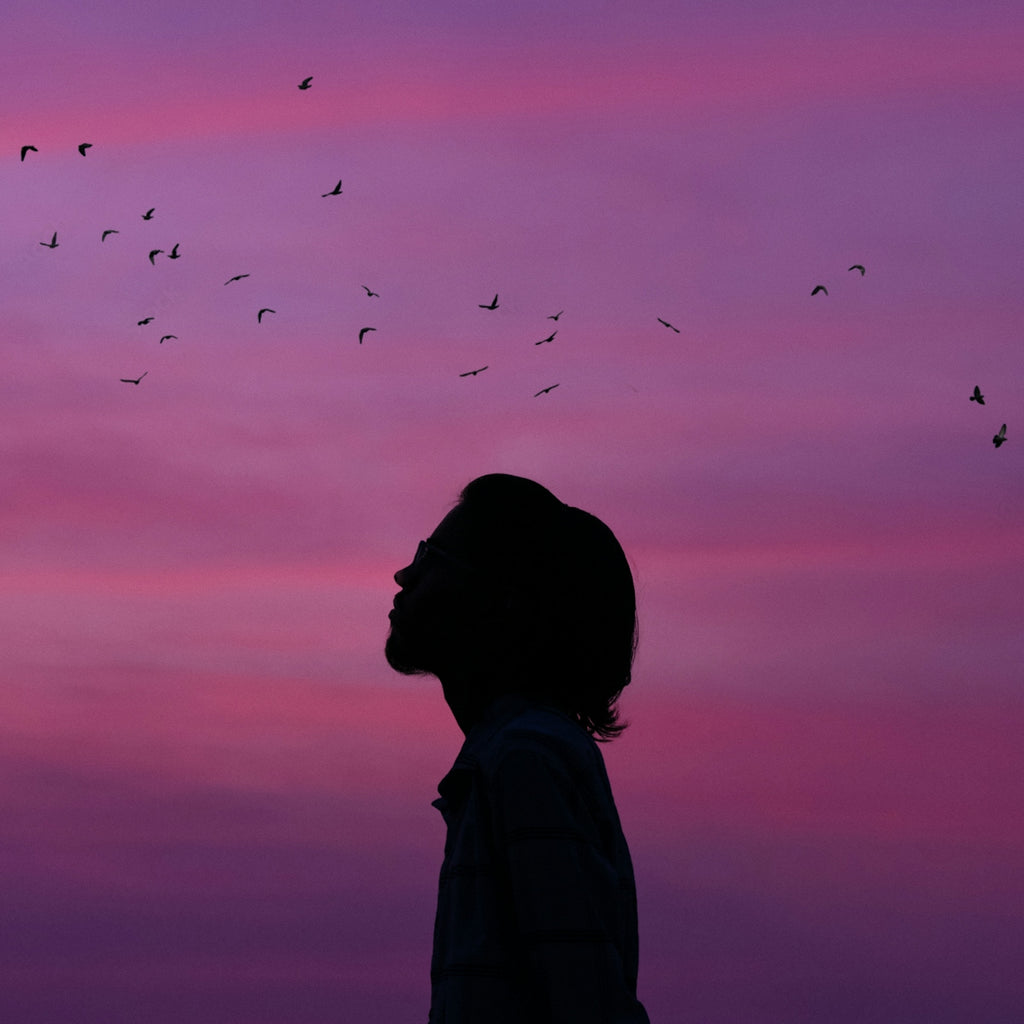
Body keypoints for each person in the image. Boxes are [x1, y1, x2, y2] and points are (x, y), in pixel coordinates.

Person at [386, 473, 650, 1023]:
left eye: (432, 557)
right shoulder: (513, 758)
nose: (405, 574)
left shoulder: (525, 759)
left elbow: (586, 999)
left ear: (502, 604)